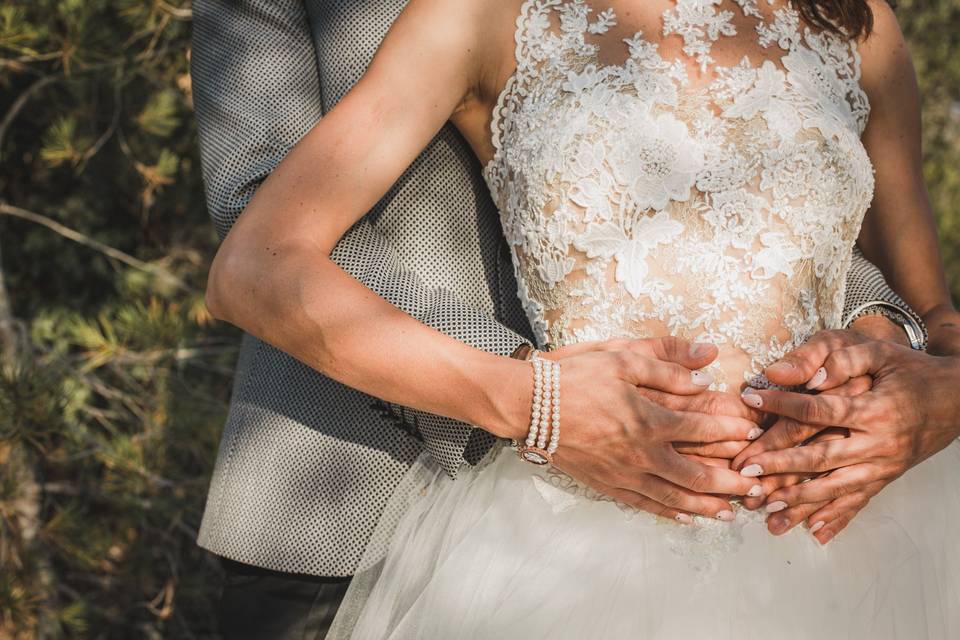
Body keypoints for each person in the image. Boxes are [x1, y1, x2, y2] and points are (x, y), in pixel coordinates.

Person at [193, 0, 957, 637]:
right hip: (564, 549)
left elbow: (930, 313)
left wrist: (937, 394)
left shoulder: (856, 26)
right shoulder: (479, 13)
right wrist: (542, 403)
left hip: (846, 541)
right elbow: (256, 258)